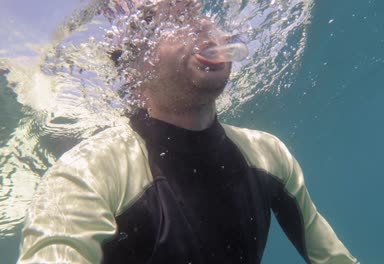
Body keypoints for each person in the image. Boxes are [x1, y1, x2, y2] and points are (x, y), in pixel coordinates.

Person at [18, 1, 359, 263]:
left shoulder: (269, 154)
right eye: (167, 22)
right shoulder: (85, 175)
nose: (201, 24)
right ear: (135, 67)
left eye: (199, 12)